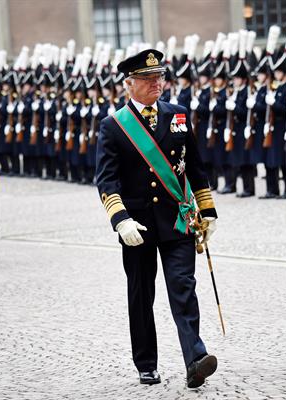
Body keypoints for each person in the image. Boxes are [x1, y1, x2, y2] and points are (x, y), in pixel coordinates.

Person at [95, 49, 218, 388]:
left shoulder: (178, 115)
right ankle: (146, 362)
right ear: (128, 84)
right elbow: (106, 179)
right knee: (140, 294)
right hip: (138, 225)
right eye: (148, 79)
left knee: (184, 288)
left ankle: (195, 358)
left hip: (176, 219)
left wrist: (207, 211)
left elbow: (194, 166)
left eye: (160, 78)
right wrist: (120, 219)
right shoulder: (113, 126)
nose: (157, 84)